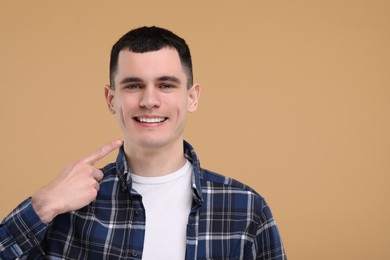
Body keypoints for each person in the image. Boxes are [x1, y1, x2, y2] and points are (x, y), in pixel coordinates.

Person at [0, 26, 286, 259]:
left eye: (166, 85)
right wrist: (42, 205)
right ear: (111, 99)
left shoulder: (246, 208)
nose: (149, 100)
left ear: (192, 97)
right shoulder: (67, 207)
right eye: (133, 85)